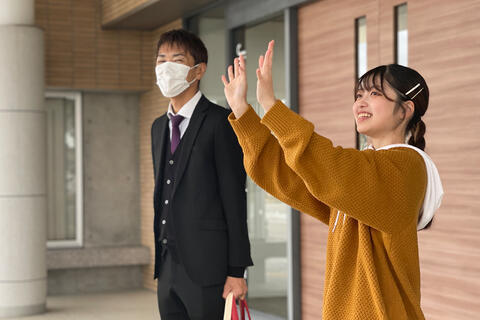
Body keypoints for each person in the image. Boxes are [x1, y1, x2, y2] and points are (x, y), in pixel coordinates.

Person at [222, 40, 443, 319]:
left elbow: (329, 166)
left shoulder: (407, 166)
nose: (360, 103)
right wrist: (242, 111)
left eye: (375, 93)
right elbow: (285, 176)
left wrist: (271, 105)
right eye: (358, 95)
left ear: (405, 109)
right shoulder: (360, 173)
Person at [151, 29, 253, 320]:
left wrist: (237, 270)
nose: (166, 66)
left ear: (198, 70)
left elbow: (234, 198)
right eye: (161, 59)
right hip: (167, 265)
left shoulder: (220, 123)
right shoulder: (158, 127)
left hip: (209, 270)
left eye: (177, 59)